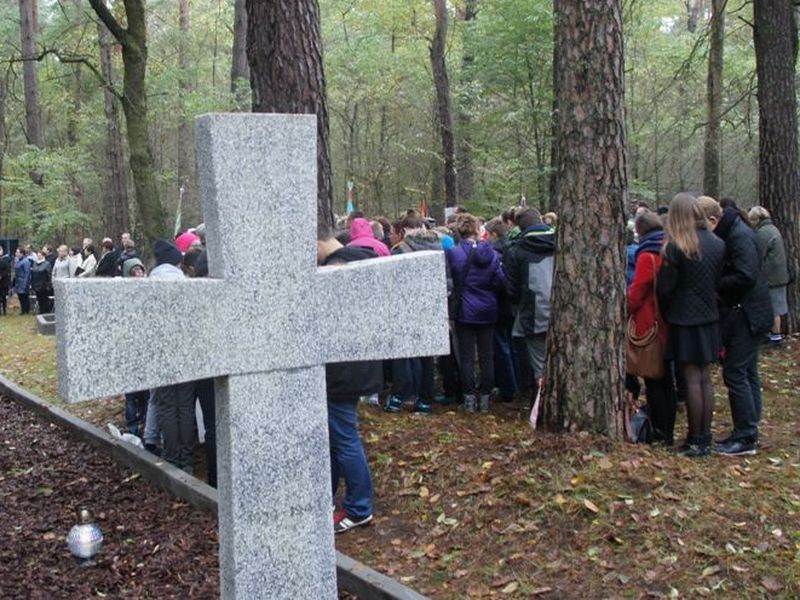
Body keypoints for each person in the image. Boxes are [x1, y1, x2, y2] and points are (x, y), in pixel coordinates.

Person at [698, 197, 773, 457]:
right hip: (750, 312)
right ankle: (749, 428)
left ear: (713, 220)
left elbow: (746, 275)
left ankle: (746, 435)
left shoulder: (738, 236)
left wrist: (715, 284)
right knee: (747, 372)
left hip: (747, 314)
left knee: (736, 372)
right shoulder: (737, 231)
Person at [318, 228, 380, 533]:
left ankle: (359, 508)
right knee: (335, 437)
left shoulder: (336, 268)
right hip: (359, 364)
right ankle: (326, 497)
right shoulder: (364, 258)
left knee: (344, 438)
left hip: (341, 371)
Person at [657, 194, 725, 458]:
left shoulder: (677, 247)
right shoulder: (717, 243)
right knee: (704, 378)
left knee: (692, 379)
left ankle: (696, 440)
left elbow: (665, 289)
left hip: (684, 318)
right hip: (709, 317)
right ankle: (703, 437)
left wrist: (668, 312)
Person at [447, 213, 506, 413]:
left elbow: (453, 281)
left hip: (465, 309)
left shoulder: (454, 254)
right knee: (486, 355)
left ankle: (469, 398)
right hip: (488, 309)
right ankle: (486, 398)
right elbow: (499, 281)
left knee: (467, 356)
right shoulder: (492, 254)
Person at [384, 216, 443, 414]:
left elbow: (391, 283)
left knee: (403, 354)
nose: (390, 236)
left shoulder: (400, 251)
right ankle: (425, 399)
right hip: (431, 307)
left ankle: (399, 396)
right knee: (427, 357)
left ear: (403, 231)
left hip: (405, 308)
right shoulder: (439, 247)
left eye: (392, 232)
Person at [149, 240, 197, 473]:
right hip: (186, 352)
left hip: (160, 353)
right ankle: (187, 460)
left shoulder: (150, 284)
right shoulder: (185, 283)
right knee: (186, 406)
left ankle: (171, 457)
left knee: (166, 405)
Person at [628, 211, 674, 445]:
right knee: (666, 378)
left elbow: (639, 289)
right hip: (666, 318)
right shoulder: (667, 247)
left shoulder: (647, 255)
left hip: (650, 319)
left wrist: (626, 306)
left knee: (654, 377)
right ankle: (667, 428)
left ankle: (660, 429)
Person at [504, 208, 555, 399]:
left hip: (534, 315)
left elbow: (512, 289)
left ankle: (542, 407)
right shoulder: (564, 241)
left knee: (540, 367)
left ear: (519, 226)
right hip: (566, 315)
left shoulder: (516, 250)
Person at [748, 206, 790, 346]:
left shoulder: (763, 233)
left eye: (752, 219)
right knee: (775, 307)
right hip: (778, 275)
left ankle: (776, 337)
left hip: (772, 277)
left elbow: (758, 253)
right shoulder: (772, 229)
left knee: (774, 309)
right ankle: (774, 334)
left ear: (757, 219)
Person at [13, 247, 33, 314]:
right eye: (16, 252)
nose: (16, 254)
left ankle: (26, 310)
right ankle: (23, 309)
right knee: (20, 296)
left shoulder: (26, 261)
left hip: (23, 281)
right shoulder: (18, 261)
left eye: (18, 252)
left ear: (22, 253)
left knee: (25, 297)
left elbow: (27, 273)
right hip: (18, 281)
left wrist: (25, 283)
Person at [0, 246, 10, 315]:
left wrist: (1, 276)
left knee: (3, 296)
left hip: (3, 281)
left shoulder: (6, 259)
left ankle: (4, 310)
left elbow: (7, 269)